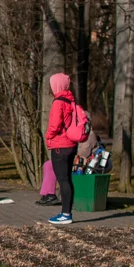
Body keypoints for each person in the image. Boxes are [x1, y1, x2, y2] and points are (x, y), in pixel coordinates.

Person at [43, 73, 80, 225]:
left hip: (60, 145)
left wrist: (48, 136)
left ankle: (65, 214)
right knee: (67, 179)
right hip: (71, 144)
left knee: (63, 180)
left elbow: (54, 125)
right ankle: (66, 212)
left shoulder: (58, 102)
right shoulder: (70, 100)